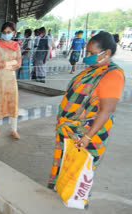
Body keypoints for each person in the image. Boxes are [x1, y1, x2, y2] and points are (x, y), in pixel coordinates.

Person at [48, 32, 125, 208]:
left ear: (105, 53)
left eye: (91, 53)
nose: (86, 56)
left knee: (80, 170)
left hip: (88, 132)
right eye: (86, 51)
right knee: (67, 167)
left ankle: (76, 203)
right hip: (70, 129)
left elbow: (106, 111)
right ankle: (62, 196)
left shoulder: (112, 75)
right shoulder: (92, 70)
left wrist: (87, 137)